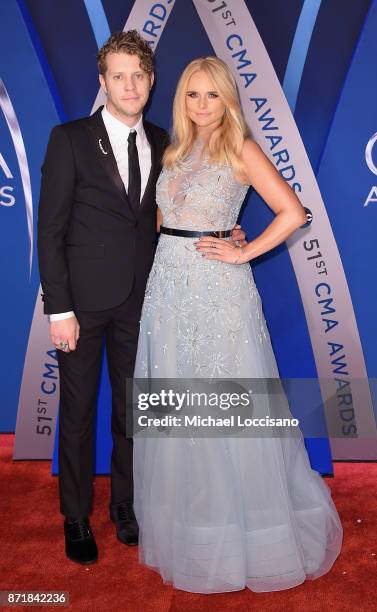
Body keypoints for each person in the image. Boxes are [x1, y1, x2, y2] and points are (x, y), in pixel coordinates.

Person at [133, 57, 343, 593]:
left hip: (218, 296)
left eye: (212, 95)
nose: (202, 106)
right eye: (192, 95)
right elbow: (166, 221)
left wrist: (241, 253)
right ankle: (193, 532)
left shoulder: (241, 148)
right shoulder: (173, 152)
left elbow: (294, 213)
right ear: (180, 99)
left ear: (228, 98)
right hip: (167, 294)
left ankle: (249, 538)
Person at [37, 32, 244, 566]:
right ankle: (77, 516)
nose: (129, 85)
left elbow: (169, 215)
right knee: (79, 414)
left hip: (147, 301)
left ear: (151, 83)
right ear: (103, 81)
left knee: (135, 411)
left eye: (139, 75)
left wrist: (229, 231)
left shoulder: (166, 141)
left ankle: (125, 505)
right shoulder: (70, 139)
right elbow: (50, 230)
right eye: (118, 75)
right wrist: (59, 309)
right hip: (80, 306)